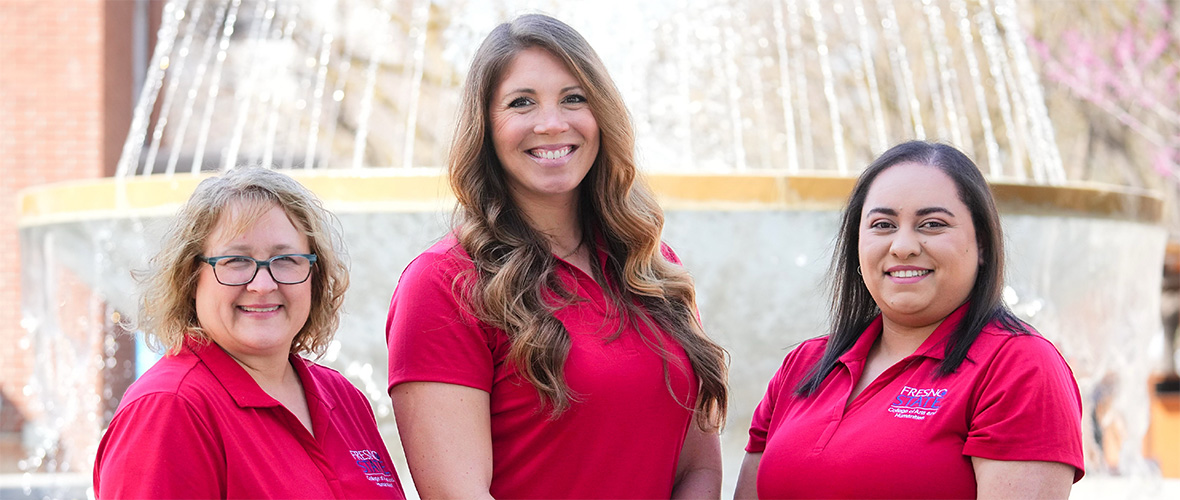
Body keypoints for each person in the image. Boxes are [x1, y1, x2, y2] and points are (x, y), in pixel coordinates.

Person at [385, 14, 728, 499]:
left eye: (574, 98)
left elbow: (698, 469)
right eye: (521, 102)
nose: (551, 123)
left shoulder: (652, 268)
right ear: (485, 126)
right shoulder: (444, 284)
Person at [734, 141, 1085, 499]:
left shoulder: (1019, 366)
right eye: (883, 224)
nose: (903, 246)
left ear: (982, 244)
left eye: (932, 224)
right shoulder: (804, 365)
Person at [93, 167, 405, 499]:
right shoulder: (168, 408)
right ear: (190, 278)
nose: (263, 284)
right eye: (236, 261)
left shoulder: (343, 399)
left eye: (286, 259)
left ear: (315, 274)